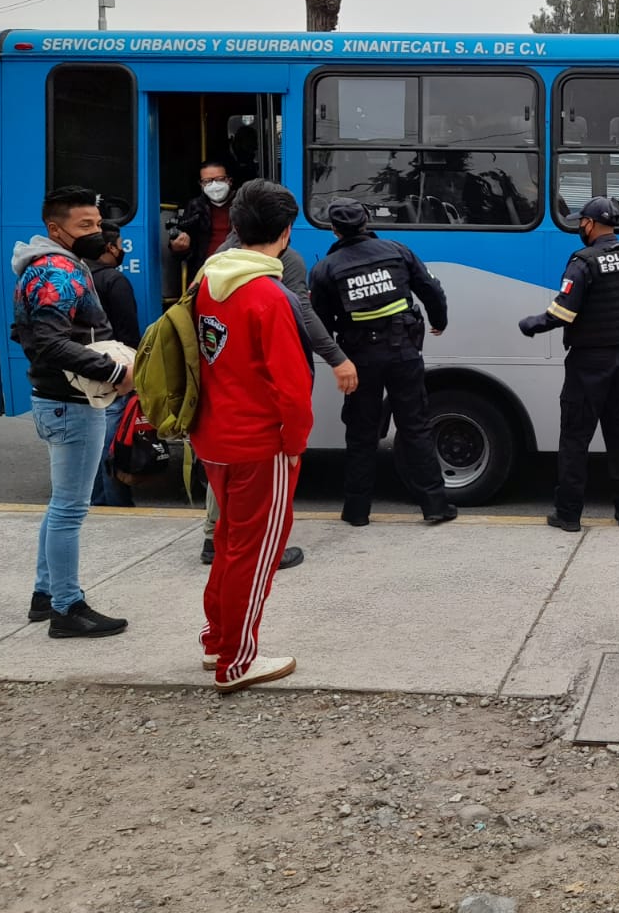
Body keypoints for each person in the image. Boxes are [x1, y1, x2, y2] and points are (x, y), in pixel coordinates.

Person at [192, 179, 314, 692]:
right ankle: (236, 662)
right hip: (260, 445)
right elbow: (292, 389)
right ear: (286, 233)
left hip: (213, 437)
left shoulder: (206, 281)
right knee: (258, 551)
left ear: (235, 228)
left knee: (228, 542)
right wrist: (295, 444)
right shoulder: (270, 294)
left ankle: (217, 639)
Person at [198, 224, 358, 567]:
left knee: (228, 486)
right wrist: (336, 357)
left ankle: (215, 535)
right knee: (254, 534)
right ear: (285, 230)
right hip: (257, 420)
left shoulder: (213, 267)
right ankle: (260, 548)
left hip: (215, 412)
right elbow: (292, 378)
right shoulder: (276, 283)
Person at [13, 187, 133, 638]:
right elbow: (47, 341)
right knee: (69, 510)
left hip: (55, 399)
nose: (96, 232)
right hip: (72, 403)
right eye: (85, 225)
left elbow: (26, 334)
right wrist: (114, 369)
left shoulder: (44, 266)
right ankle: (67, 608)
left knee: (60, 506)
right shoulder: (59, 271)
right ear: (55, 229)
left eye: (98, 224)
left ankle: (45, 595)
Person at [309, 198, 456, 527]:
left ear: (333, 230)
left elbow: (320, 322)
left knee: (361, 434)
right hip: (403, 353)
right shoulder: (396, 250)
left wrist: (338, 358)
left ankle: (357, 511)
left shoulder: (325, 269)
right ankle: (435, 506)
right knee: (415, 427)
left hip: (359, 360)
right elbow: (431, 289)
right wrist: (440, 321)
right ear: (366, 221)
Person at [520, 196, 619, 531]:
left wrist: (530, 324)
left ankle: (568, 514)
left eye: (581, 222)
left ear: (591, 224)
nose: (579, 227)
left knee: (575, 438)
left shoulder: (583, 262)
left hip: (588, 363)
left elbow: (562, 312)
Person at [89, 220, 140, 508]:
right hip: (115, 372)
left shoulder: (78, 275)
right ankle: (118, 507)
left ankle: (96, 501)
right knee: (112, 447)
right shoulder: (114, 280)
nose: (122, 250)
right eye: (120, 245)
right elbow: (128, 334)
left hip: (88, 371)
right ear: (109, 248)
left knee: (94, 448)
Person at [169, 159, 237, 280]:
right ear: (201, 185)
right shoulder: (195, 206)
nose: (214, 185)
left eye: (219, 179)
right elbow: (185, 249)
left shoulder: (244, 205)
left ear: (229, 181)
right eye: (207, 181)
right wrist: (178, 247)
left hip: (238, 269)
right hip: (205, 272)